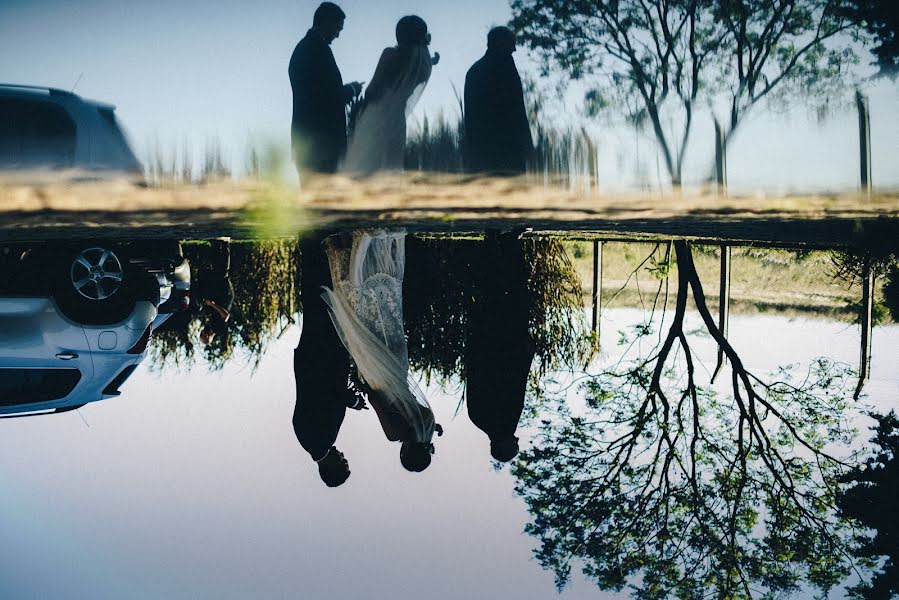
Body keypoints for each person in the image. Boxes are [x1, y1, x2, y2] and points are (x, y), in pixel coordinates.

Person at [320, 229, 441, 471]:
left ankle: (372, 247)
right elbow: (376, 400)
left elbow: (414, 406)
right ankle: (355, 245)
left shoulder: (427, 421)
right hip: (378, 375)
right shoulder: (396, 433)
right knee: (358, 316)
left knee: (384, 312)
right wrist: (361, 386)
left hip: (398, 365)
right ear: (406, 453)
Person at [293, 235, 361, 487]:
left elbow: (326, 394)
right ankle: (317, 250)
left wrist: (352, 400)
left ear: (330, 469)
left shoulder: (318, 439)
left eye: (343, 463)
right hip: (314, 357)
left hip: (319, 356)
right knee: (318, 303)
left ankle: (312, 247)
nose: (344, 456)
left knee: (320, 302)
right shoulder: (313, 441)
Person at [465, 230, 536, 462]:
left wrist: (527, 355)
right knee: (494, 292)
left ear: (502, 446)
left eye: (513, 446)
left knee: (514, 293)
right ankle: (494, 242)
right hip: (488, 341)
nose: (517, 441)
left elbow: (516, 382)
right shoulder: (478, 418)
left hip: (506, 344)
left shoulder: (504, 420)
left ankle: (509, 244)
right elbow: (473, 373)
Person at [341, 16, 439, 173]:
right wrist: (432, 60)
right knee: (389, 167)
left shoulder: (389, 54)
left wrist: (358, 110)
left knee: (363, 167)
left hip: (376, 116)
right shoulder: (423, 65)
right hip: (397, 120)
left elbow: (372, 90)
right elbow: (419, 61)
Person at [289, 2, 363, 175]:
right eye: (338, 28)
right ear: (327, 22)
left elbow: (318, 90)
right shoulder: (317, 49)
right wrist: (351, 90)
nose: (337, 35)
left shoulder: (304, 48)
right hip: (321, 144)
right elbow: (327, 97)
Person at [463, 26, 533, 174]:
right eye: (511, 44)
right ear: (500, 44)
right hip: (506, 149)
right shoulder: (505, 69)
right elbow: (518, 109)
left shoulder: (475, 71)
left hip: (483, 150)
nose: (514, 49)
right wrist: (526, 144)